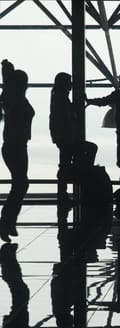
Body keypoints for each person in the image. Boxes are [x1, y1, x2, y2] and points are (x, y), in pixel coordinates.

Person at [0, 60, 35, 242]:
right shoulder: (16, 100)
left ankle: (8, 221)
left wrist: (6, 71)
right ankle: (7, 221)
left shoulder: (12, 98)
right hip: (16, 146)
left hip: (15, 146)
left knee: (20, 183)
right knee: (21, 183)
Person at [49, 72, 97, 203]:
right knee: (90, 149)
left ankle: (63, 192)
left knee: (64, 164)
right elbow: (67, 119)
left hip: (63, 138)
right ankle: (80, 174)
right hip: (67, 138)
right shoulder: (62, 99)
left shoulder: (58, 98)